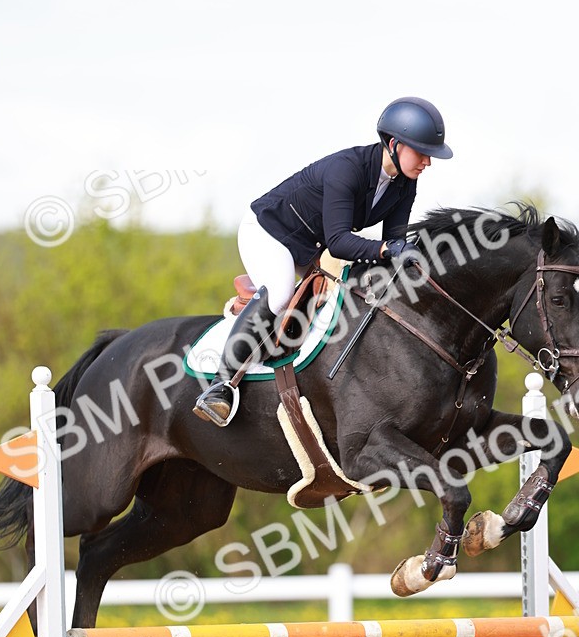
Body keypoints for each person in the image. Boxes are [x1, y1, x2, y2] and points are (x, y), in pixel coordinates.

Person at [193, 96, 453, 426]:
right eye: (421, 152)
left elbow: (394, 240)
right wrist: (389, 250)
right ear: (393, 144)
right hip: (269, 233)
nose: (427, 162)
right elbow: (341, 242)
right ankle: (220, 385)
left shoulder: (405, 183)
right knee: (280, 291)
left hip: (310, 247)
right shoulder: (348, 170)